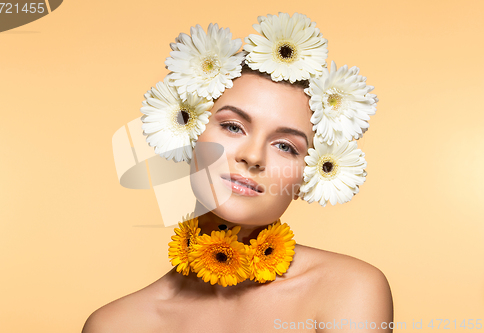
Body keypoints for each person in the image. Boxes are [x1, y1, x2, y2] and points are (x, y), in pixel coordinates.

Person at [82, 13, 393, 333]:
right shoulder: (115, 324)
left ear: (309, 175)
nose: (252, 156)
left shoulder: (348, 291)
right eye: (233, 127)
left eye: (285, 146)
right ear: (188, 131)